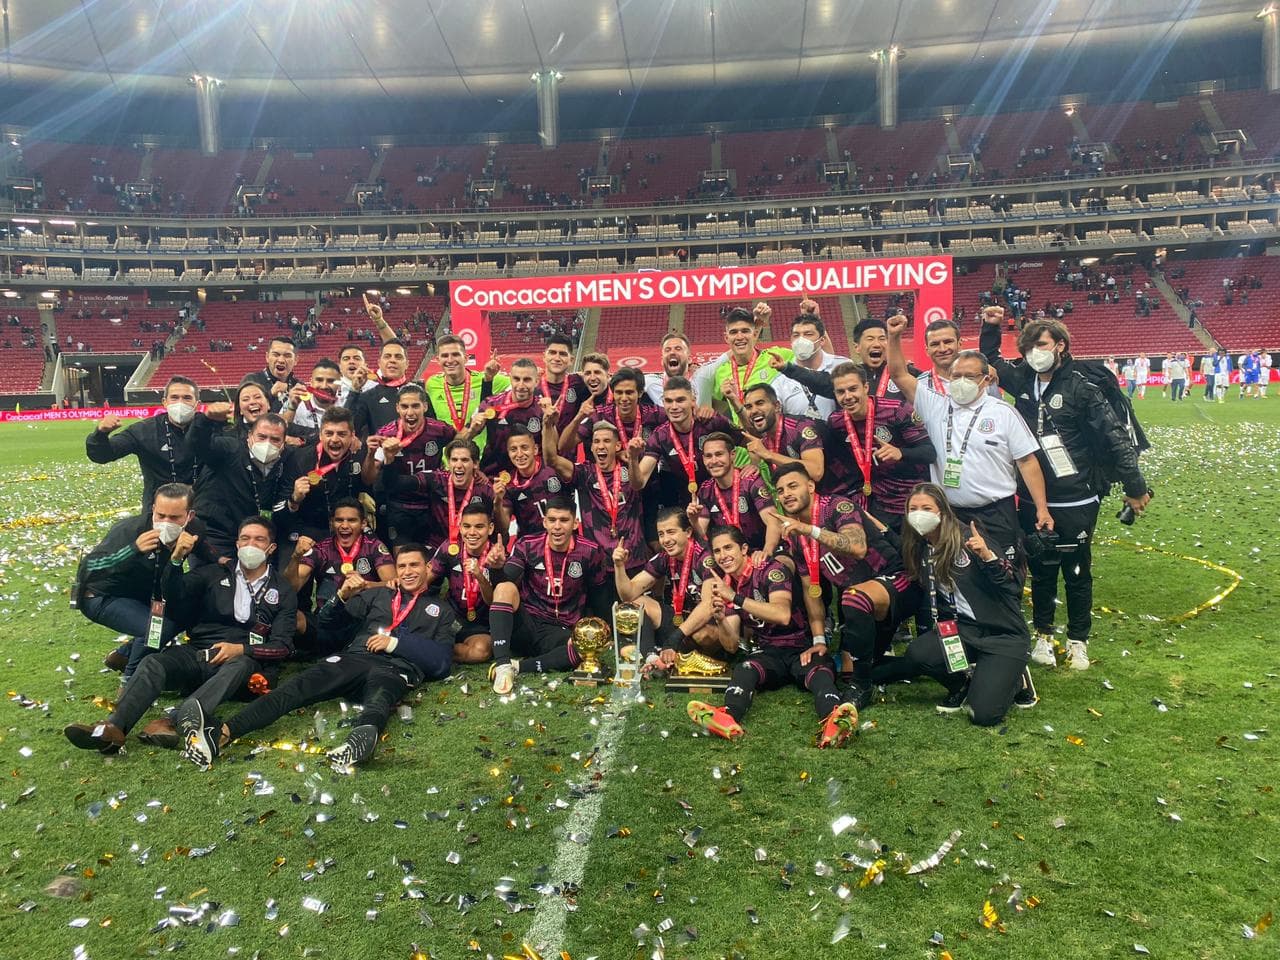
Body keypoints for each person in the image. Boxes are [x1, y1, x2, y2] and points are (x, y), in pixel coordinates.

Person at [178, 542, 454, 772]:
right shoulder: (380, 595)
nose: (407, 572)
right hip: (354, 659)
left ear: (427, 568)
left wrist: (395, 643)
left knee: (379, 699)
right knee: (295, 688)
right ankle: (222, 734)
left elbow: (441, 663)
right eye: (402, 566)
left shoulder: (441, 609)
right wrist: (342, 597)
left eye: (414, 565)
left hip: (396, 669)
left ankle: (359, 742)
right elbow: (327, 625)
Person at [979, 313, 1149, 670]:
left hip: (1077, 496)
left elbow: (1115, 438)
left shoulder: (1082, 388)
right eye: (1028, 347)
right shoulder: (1023, 381)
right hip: (1032, 495)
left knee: (1075, 568)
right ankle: (1043, 634)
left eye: (1040, 345)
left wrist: (1135, 487)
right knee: (1040, 565)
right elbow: (991, 359)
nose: (1034, 353)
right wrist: (991, 327)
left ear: (1060, 346)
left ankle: (1078, 640)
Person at [64, 516, 296, 754]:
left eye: (259, 540)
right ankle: (113, 728)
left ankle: (174, 721)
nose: (250, 545)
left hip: (243, 664)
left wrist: (242, 649)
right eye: (245, 539)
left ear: (271, 547)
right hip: (200, 651)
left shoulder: (282, 590)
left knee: (241, 664)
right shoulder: (213, 573)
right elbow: (174, 596)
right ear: (237, 544)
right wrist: (175, 562)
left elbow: (283, 646)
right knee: (154, 662)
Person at [887, 314, 1053, 570]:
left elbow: (1027, 461)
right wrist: (895, 336)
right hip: (952, 512)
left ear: (986, 380)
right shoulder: (935, 404)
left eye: (970, 376)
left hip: (997, 511)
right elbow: (898, 373)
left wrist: (1042, 508)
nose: (962, 382)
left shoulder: (1002, 412)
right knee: (958, 575)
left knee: (1003, 573)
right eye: (956, 377)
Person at [685, 526, 860, 749]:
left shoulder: (770, 570)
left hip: (802, 647)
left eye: (728, 547)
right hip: (768, 652)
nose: (723, 556)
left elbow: (782, 614)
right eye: (717, 551)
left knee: (820, 675)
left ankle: (835, 720)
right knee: (744, 669)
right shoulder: (727, 585)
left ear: (744, 549)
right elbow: (730, 647)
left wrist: (736, 598)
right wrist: (720, 619)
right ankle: (728, 717)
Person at [872, 485, 1033, 726]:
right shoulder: (921, 547)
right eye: (913, 509)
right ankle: (964, 683)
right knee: (919, 654)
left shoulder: (970, 540)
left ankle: (1017, 679)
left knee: (983, 715)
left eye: (927, 508)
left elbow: (1011, 585)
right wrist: (875, 524)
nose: (919, 514)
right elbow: (895, 544)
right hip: (963, 629)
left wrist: (989, 558)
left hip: (1002, 633)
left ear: (943, 512)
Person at [773, 463, 910, 706]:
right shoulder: (796, 538)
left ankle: (865, 684)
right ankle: (917, 666)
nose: (786, 494)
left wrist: (809, 530)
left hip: (896, 580)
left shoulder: (837, 506)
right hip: (857, 602)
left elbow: (857, 547)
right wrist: (819, 641)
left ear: (811, 486)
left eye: (793, 486)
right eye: (781, 490)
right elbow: (810, 591)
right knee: (849, 672)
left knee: (854, 600)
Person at [74, 482, 214, 683]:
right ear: (153, 509)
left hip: (142, 595)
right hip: (102, 595)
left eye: (174, 518)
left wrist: (222, 561)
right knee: (157, 628)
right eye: (161, 515)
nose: (166, 522)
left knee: (188, 611)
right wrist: (133, 549)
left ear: (189, 516)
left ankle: (123, 655)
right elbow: (90, 567)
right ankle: (131, 682)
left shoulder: (194, 529)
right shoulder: (130, 530)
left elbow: (205, 550)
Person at [487, 496, 608, 694]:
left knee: (583, 651)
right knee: (505, 589)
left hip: (561, 631)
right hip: (527, 624)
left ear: (575, 523)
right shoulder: (527, 544)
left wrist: (601, 632)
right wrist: (497, 569)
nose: (557, 526)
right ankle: (502, 665)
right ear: (544, 522)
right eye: (552, 520)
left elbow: (600, 594)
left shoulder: (590, 551)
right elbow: (505, 580)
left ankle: (517, 667)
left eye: (564, 520)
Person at [543, 410, 647, 591]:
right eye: (596, 441)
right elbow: (551, 459)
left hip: (633, 558)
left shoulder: (629, 469)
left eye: (607, 441)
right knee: (601, 617)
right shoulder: (584, 473)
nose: (600, 446)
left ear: (617, 446)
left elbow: (638, 484)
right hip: (597, 561)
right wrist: (547, 426)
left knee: (633, 616)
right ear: (590, 447)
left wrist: (633, 457)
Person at [823, 361, 933, 529]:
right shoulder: (836, 422)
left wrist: (900, 453)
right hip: (878, 503)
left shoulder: (897, 411)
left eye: (853, 389)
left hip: (913, 499)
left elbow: (929, 453)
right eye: (840, 392)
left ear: (866, 387)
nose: (847, 397)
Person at [612, 507, 722, 669]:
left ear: (688, 532)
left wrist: (674, 638)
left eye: (671, 532)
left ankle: (691, 657)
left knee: (703, 635)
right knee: (634, 604)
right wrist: (619, 566)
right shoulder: (664, 557)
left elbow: (708, 606)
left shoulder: (705, 557)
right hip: (680, 619)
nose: (665, 540)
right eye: (661, 534)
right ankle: (651, 656)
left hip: (710, 623)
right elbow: (628, 595)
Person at [284, 497, 394, 653]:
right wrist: (295, 557)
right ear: (332, 523)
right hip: (327, 620)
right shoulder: (321, 549)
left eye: (352, 520)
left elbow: (393, 584)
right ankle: (281, 649)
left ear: (363, 523)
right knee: (291, 615)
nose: (344, 526)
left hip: (362, 621)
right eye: (339, 520)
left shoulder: (374, 547)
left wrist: (366, 585)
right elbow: (291, 587)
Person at [190, 408, 300, 561]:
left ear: (284, 442)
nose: (267, 443)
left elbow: (283, 498)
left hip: (254, 537)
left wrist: (293, 500)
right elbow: (200, 446)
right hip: (217, 533)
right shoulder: (230, 448)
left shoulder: (289, 459)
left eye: (275, 439)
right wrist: (206, 420)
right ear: (249, 436)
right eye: (262, 437)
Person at [86, 376, 201, 511]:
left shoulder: (211, 429)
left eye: (187, 398)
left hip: (204, 507)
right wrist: (101, 434)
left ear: (197, 403)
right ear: (165, 402)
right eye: (174, 397)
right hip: (158, 511)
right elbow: (103, 455)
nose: (180, 403)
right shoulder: (143, 430)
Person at [362, 384, 457, 546]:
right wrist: (370, 454)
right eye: (405, 406)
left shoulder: (440, 430)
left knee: (435, 559)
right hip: (400, 506)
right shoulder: (386, 435)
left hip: (432, 504)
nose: (410, 413)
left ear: (425, 406)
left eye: (415, 406)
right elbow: (368, 479)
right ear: (397, 408)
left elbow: (461, 444)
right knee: (404, 560)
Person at [630, 377, 742, 505]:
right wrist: (633, 458)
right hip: (689, 505)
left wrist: (753, 465)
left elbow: (748, 441)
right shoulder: (660, 436)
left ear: (692, 401)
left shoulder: (711, 421)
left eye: (680, 400)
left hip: (726, 501)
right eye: (668, 401)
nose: (674, 407)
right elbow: (639, 483)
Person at [424, 503, 508, 663]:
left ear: (490, 529)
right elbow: (425, 581)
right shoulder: (450, 548)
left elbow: (493, 602)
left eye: (479, 527)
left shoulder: (497, 556)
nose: (472, 532)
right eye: (467, 526)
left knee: (480, 652)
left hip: (481, 624)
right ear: (460, 527)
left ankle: (430, 650)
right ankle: (432, 647)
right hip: (451, 616)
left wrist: (479, 576)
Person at [700, 307, 808, 425]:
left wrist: (811, 317)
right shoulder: (721, 372)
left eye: (745, 331)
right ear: (726, 338)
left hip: (775, 439)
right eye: (734, 332)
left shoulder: (776, 356)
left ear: (755, 334)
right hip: (743, 442)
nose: (739, 337)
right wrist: (707, 408)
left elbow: (821, 360)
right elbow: (716, 405)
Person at [282, 405, 367, 547]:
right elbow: (280, 513)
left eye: (341, 434)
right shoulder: (299, 459)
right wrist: (294, 499)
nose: (334, 439)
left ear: (352, 435)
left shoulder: (361, 456)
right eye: (329, 433)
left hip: (351, 531)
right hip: (310, 532)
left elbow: (370, 486)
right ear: (320, 435)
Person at [691, 432, 780, 553]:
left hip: (760, 551)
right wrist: (694, 521)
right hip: (732, 558)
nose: (714, 461)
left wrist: (766, 553)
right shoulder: (705, 489)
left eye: (719, 454)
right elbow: (702, 533)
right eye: (708, 456)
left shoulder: (750, 481)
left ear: (732, 455)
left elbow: (772, 521)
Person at [425, 335, 509, 456]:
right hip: (447, 463)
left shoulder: (488, 378)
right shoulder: (432, 384)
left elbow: (521, 383)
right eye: (444, 356)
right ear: (438, 360)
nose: (450, 360)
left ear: (466, 358)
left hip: (479, 462)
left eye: (455, 354)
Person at [735, 382, 826, 484]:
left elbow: (816, 472)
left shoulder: (800, 427)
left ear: (777, 406)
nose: (754, 411)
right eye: (748, 407)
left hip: (838, 493)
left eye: (760, 403)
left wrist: (769, 455)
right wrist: (754, 466)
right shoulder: (765, 440)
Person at [473, 358, 544, 474]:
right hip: (492, 477)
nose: (521, 385)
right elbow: (463, 438)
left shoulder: (543, 409)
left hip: (532, 479)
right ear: (510, 379)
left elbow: (552, 451)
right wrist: (472, 430)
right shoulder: (490, 404)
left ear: (536, 381)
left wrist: (549, 424)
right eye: (516, 379)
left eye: (527, 380)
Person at [495, 426, 563, 538]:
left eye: (524, 447)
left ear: (535, 449)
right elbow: (503, 527)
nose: (520, 454)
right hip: (531, 547)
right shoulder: (508, 485)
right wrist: (498, 501)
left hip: (562, 540)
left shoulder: (553, 469)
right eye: (513, 449)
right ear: (508, 453)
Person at [352, 339, 414, 437]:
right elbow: (351, 428)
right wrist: (354, 391)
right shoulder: (368, 397)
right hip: (382, 451)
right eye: (387, 356)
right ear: (379, 363)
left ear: (407, 364)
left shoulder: (420, 393)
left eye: (398, 357)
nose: (392, 360)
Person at [535, 334, 589, 424]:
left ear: (571, 360)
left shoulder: (580, 383)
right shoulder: (532, 385)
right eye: (552, 353)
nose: (557, 358)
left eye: (563, 354)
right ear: (544, 357)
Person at [282, 359, 342, 439]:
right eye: (319, 380)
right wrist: (292, 408)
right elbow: (280, 432)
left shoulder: (347, 404)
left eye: (330, 381)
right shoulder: (295, 402)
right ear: (311, 382)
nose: (324, 386)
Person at [245, 335, 300, 410]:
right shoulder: (252, 381)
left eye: (287, 356)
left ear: (296, 360)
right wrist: (270, 394)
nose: (281, 360)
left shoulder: (298, 386)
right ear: (267, 357)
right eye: (276, 355)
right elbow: (244, 411)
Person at [644, 332, 694, 405]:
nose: (672, 352)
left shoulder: (701, 383)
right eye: (667, 350)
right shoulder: (650, 382)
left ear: (689, 359)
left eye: (678, 349)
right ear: (662, 360)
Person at [335, 344, 373, 409]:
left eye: (357, 358)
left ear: (365, 365)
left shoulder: (376, 387)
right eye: (346, 359)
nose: (351, 362)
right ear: (340, 367)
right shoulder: (333, 388)